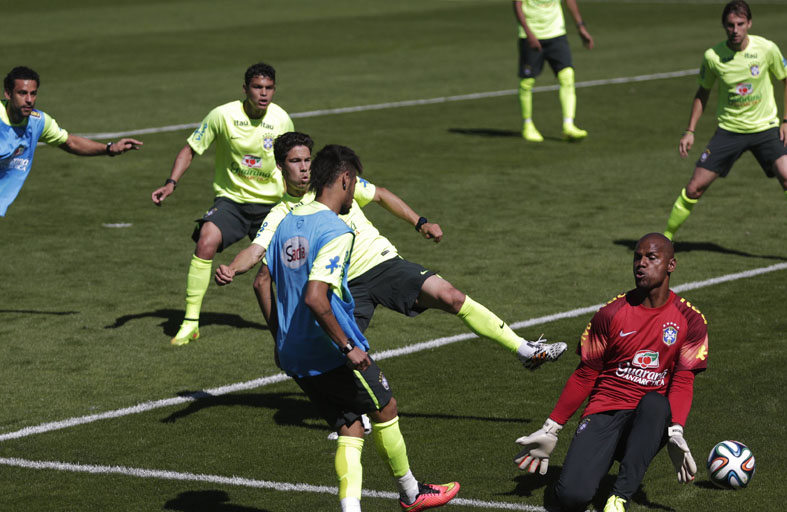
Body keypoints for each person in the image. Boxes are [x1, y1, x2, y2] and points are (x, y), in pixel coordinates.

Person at [216, 131, 567, 370]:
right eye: (296, 162)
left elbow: (380, 194)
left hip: (383, 265)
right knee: (340, 354)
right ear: (280, 167)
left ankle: (524, 350)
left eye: (308, 159)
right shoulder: (281, 214)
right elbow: (257, 249)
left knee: (452, 296)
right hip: (344, 288)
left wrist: (420, 222)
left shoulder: (335, 183)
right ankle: (350, 416)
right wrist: (233, 267)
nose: (305, 167)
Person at [256, 143, 459, 512]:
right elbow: (316, 297)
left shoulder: (287, 221)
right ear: (345, 179)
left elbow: (262, 281)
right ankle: (410, 493)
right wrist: (348, 345)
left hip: (293, 353)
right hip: (328, 350)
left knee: (350, 426)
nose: (354, 197)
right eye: (353, 187)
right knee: (385, 406)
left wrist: (279, 336)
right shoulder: (335, 229)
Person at [513, 233, 708, 512]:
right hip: (604, 412)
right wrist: (552, 427)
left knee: (656, 404)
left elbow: (682, 379)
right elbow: (585, 374)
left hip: (646, 421)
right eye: (637, 257)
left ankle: (619, 498)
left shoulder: (690, 320)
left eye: (651, 258)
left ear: (671, 265)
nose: (640, 264)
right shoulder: (610, 314)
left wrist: (677, 430)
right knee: (570, 499)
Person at [664, 1, 787, 266]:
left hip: (766, 129)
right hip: (730, 131)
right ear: (724, 26)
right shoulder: (713, 57)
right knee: (694, 188)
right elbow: (703, 92)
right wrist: (690, 130)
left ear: (749, 24)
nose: (735, 30)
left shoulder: (766, 49)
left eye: (740, 24)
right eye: (730, 25)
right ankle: (665, 239)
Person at [151, 63, 295, 346]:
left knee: (284, 267)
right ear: (245, 89)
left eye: (268, 88)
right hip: (232, 202)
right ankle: (191, 322)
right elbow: (191, 148)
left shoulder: (281, 120)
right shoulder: (223, 115)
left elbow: (291, 162)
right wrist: (171, 182)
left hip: (271, 206)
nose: (263, 94)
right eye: (257, 87)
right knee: (206, 240)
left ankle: (295, 324)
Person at [1, 66, 142, 217]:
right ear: (8, 94)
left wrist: (110, 149)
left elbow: (70, 143)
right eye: (22, 93)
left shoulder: (38, 122)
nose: (29, 100)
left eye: (33, 94)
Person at [512, 0, 594, 142]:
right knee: (527, 82)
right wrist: (528, 33)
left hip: (556, 34)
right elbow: (517, 4)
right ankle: (528, 125)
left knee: (567, 76)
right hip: (531, 36)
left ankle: (569, 125)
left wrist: (580, 26)